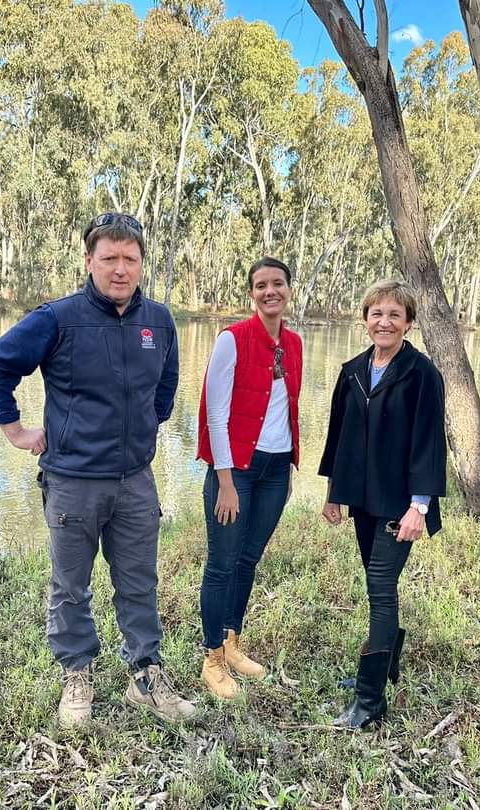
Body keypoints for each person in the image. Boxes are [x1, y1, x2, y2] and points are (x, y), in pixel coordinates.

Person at [0, 212, 196, 729]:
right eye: (109, 258)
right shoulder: (58, 318)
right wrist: (16, 430)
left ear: (142, 263)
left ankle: (147, 676)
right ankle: (78, 675)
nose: (121, 269)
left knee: (139, 583)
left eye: (130, 259)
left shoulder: (159, 321)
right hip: (72, 481)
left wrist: (142, 428)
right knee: (70, 587)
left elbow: (165, 387)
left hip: (135, 480)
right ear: (89, 260)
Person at [318, 279, 447, 730]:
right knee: (376, 582)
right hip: (362, 499)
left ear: (408, 322)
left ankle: (369, 701)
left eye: (394, 314)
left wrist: (420, 506)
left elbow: (430, 442)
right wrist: (334, 492)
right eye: (376, 313)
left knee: (380, 585)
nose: (384, 321)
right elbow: (339, 435)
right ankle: (384, 664)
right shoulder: (352, 369)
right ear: (365, 319)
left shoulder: (422, 373)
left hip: (400, 501)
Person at [195, 257, 303, 700]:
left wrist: (291, 466)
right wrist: (224, 480)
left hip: (276, 471)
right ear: (251, 293)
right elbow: (215, 414)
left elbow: (288, 408)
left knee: (248, 560)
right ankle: (212, 658)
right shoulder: (232, 340)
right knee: (222, 564)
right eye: (261, 285)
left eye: (277, 283)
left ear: (288, 290)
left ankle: (232, 641)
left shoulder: (294, 343)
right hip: (235, 470)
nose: (269, 291)